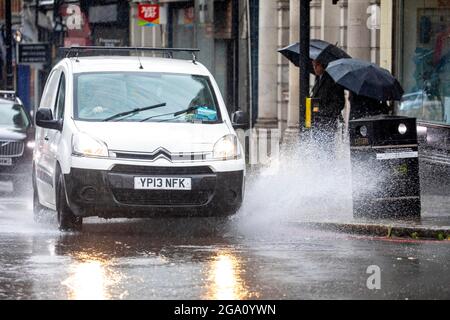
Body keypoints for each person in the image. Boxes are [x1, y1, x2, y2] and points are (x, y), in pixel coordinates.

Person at [310, 59, 346, 155]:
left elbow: (339, 103)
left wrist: (323, 112)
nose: (314, 68)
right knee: (318, 150)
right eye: (313, 65)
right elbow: (317, 98)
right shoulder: (318, 79)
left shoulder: (332, 80)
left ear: (323, 65)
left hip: (327, 121)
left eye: (316, 65)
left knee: (327, 149)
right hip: (317, 121)